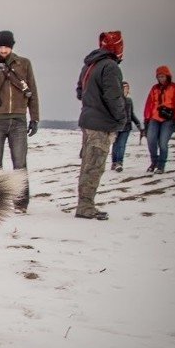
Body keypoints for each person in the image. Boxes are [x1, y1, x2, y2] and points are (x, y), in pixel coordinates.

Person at [0, 30, 40, 213]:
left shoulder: (23, 64)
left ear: (12, 46)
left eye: (6, 46)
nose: (3, 50)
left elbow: (32, 91)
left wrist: (34, 118)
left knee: (20, 164)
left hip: (18, 119)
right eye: (1, 46)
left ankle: (20, 204)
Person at [74, 30, 126, 220]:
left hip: (87, 119)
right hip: (101, 123)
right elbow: (114, 96)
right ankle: (86, 206)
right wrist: (121, 119)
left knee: (88, 164)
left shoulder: (89, 65)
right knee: (94, 165)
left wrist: (91, 101)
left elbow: (80, 92)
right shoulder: (110, 67)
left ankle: (85, 203)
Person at [143, 65, 175, 174]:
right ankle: (154, 162)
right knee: (151, 140)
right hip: (154, 117)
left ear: (167, 76)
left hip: (168, 119)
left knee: (162, 143)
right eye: (159, 77)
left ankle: (161, 165)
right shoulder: (154, 88)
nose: (161, 79)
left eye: (163, 76)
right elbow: (149, 103)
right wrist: (146, 118)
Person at [110, 82, 143, 172]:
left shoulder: (129, 101)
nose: (125, 90)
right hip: (116, 126)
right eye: (123, 88)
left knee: (121, 145)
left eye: (127, 88)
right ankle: (114, 162)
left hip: (127, 126)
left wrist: (138, 124)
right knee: (115, 144)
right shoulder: (115, 100)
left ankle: (119, 163)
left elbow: (131, 114)